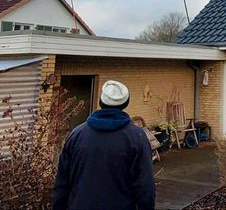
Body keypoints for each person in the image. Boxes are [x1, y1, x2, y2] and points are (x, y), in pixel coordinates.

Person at [53, 80, 155, 210]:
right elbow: (145, 187)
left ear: (101, 102)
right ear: (126, 103)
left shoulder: (77, 134)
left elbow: (62, 184)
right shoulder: (137, 138)